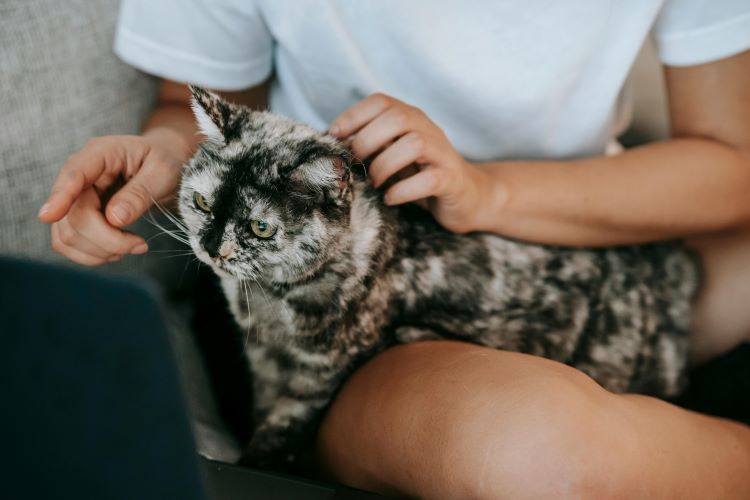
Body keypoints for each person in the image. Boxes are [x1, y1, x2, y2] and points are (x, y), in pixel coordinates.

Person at [38, 1, 750, 497]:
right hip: (361, 331)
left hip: (591, 251)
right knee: (545, 459)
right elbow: (192, 110)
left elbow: (731, 160)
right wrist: (163, 161)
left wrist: (488, 191)